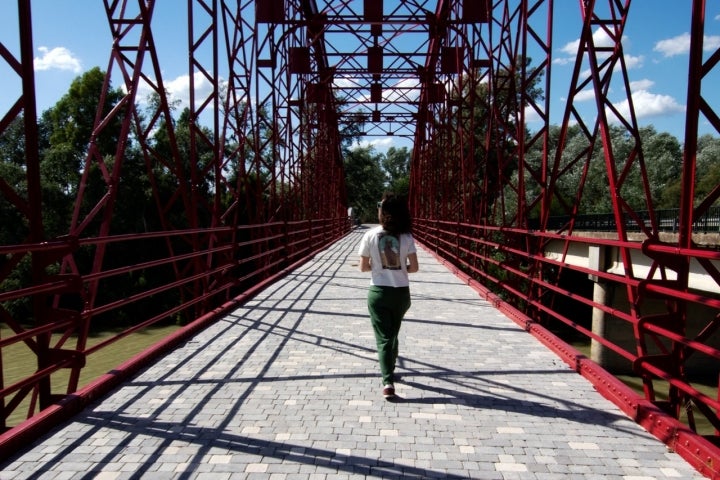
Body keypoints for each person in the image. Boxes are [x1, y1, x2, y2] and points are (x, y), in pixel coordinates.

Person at [357, 193, 419, 399]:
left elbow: (363, 268)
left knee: (384, 338)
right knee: (392, 333)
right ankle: (391, 367)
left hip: (379, 292)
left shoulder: (370, 235)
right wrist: (399, 269)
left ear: (383, 212)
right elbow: (415, 268)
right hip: (401, 293)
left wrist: (378, 266)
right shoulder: (407, 236)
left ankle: (387, 381)